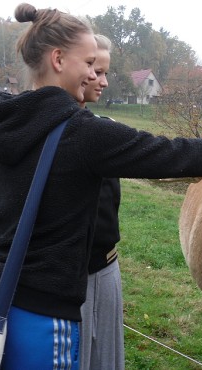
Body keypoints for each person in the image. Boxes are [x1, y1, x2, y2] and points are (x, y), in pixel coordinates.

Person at [0, 2, 202, 370]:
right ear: (58, 59)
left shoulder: (4, 124)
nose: (94, 75)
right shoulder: (81, 131)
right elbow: (166, 153)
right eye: (89, 64)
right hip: (44, 311)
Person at [78, 34, 125, 369]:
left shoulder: (101, 129)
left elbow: (164, 155)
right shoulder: (78, 134)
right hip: (67, 277)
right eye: (96, 69)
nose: (103, 81)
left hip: (106, 267)